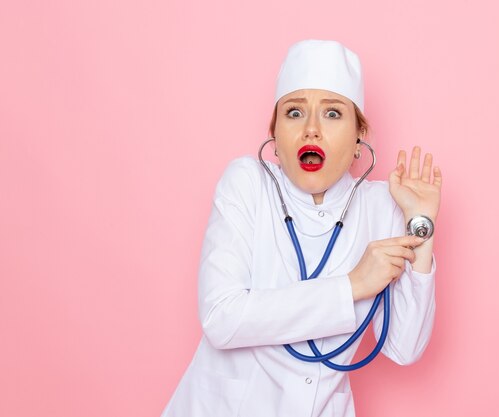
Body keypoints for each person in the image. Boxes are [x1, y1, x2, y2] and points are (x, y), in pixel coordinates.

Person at [161, 39, 442, 417]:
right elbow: (221, 318)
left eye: (332, 114)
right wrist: (353, 285)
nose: (311, 130)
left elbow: (404, 348)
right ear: (275, 132)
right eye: (294, 113)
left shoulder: (381, 205)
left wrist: (420, 228)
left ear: (360, 135)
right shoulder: (247, 183)